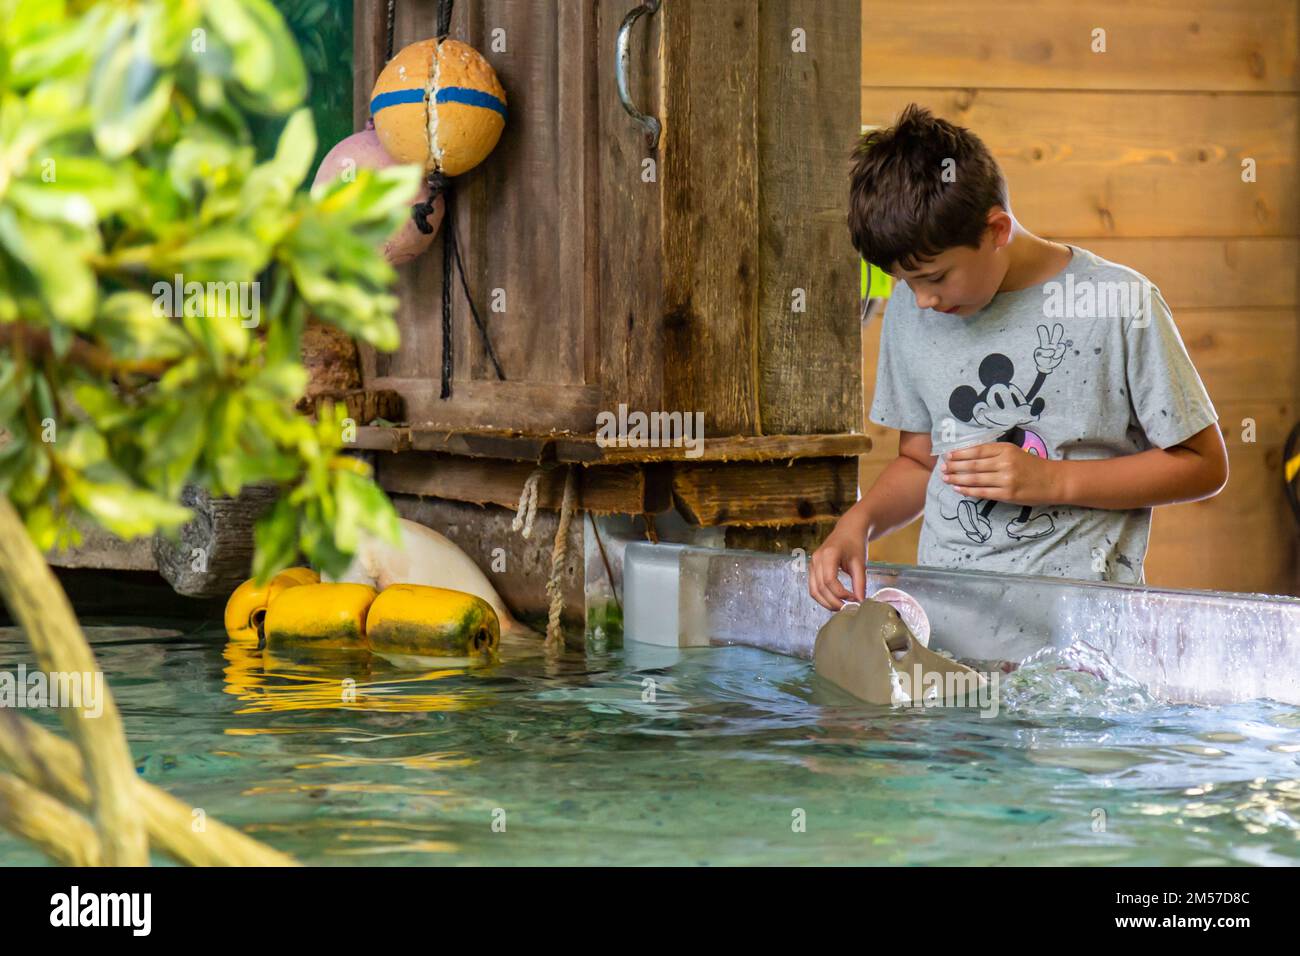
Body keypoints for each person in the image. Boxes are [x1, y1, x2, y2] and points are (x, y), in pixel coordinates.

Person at [808, 104, 1228, 611]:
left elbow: (1204, 466)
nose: (923, 301)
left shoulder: (1120, 302)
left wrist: (1053, 481)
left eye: (936, 278)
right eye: (907, 282)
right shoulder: (913, 307)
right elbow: (920, 461)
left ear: (997, 230)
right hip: (952, 629)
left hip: (1081, 639)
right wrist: (857, 525)